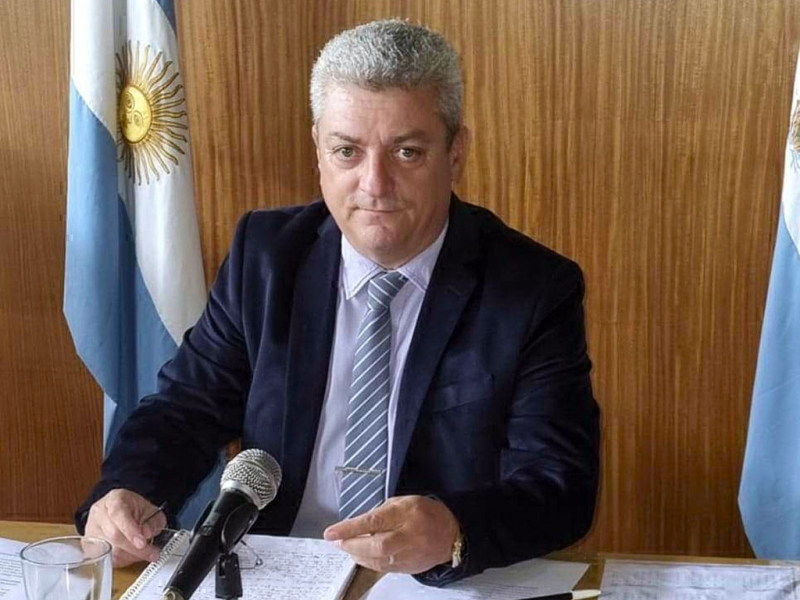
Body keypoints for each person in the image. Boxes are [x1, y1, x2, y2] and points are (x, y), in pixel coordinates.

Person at [76, 19, 599, 586]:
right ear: (319, 152)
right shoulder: (267, 257)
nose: (375, 184)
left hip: (433, 583)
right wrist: (126, 490)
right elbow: (186, 408)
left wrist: (454, 529)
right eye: (347, 151)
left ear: (455, 153)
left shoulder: (532, 289)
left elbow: (560, 485)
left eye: (407, 152)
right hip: (280, 574)